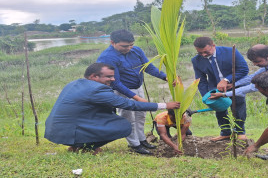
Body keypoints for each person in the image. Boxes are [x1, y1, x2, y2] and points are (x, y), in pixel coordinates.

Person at [44, 63, 180, 155]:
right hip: (68, 131)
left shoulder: (76, 83)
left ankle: (76, 146)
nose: (113, 79)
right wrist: (164, 105)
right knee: (123, 126)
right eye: (108, 76)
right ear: (93, 77)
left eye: (113, 76)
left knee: (111, 117)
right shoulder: (96, 89)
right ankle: (88, 147)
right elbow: (129, 104)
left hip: (55, 129)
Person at [97, 29, 168, 154]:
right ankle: (134, 144)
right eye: (124, 46)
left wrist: (164, 77)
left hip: (137, 87)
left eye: (131, 45)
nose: (129, 48)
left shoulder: (136, 50)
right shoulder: (107, 57)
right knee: (129, 117)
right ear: (112, 42)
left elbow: (148, 67)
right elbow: (115, 83)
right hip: (121, 91)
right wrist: (136, 98)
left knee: (141, 115)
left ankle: (142, 140)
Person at [191, 37, 249, 142]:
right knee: (219, 110)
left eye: (206, 52)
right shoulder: (196, 61)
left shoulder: (230, 52)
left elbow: (243, 69)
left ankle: (240, 131)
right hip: (215, 88)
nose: (203, 55)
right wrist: (206, 96)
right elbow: (201, 80)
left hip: (234, 85)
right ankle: (225, 133)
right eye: (200, 53)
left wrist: (227, 80)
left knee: (238, 107)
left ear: (213, 45)